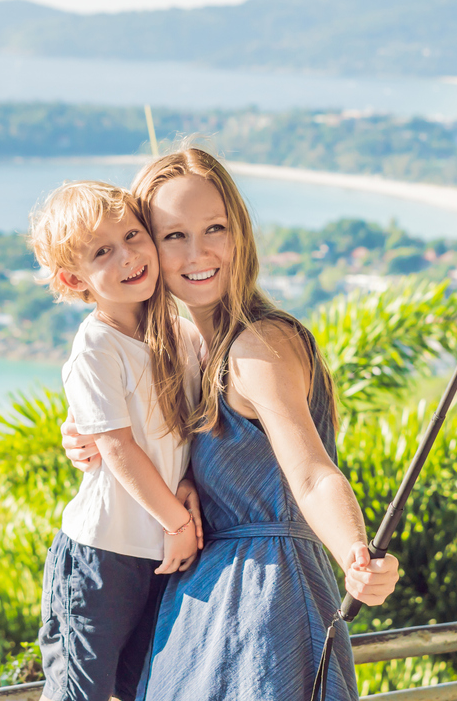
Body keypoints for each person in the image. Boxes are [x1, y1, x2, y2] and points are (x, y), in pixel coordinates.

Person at [60, 149, 401, 700]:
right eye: (173, 236)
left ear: (239, 233)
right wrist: (86, 434)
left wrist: (357, 556)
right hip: (200, 602)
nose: (198, 252)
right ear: (146, 248)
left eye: (214, 228)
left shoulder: (258, 344)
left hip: (268, 599)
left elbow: (312, 474)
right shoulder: (184, 348)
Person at [27, 180, 205, 701]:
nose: (128, 256)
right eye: (103, 251)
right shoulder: (96, 344)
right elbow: (118, 447)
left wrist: (188, 485)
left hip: (160, 554)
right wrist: (175, 521)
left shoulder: (180, 335)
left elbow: (180, 432)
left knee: (145, 690)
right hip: (100, 556)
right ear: (72, 278)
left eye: (132, 235)